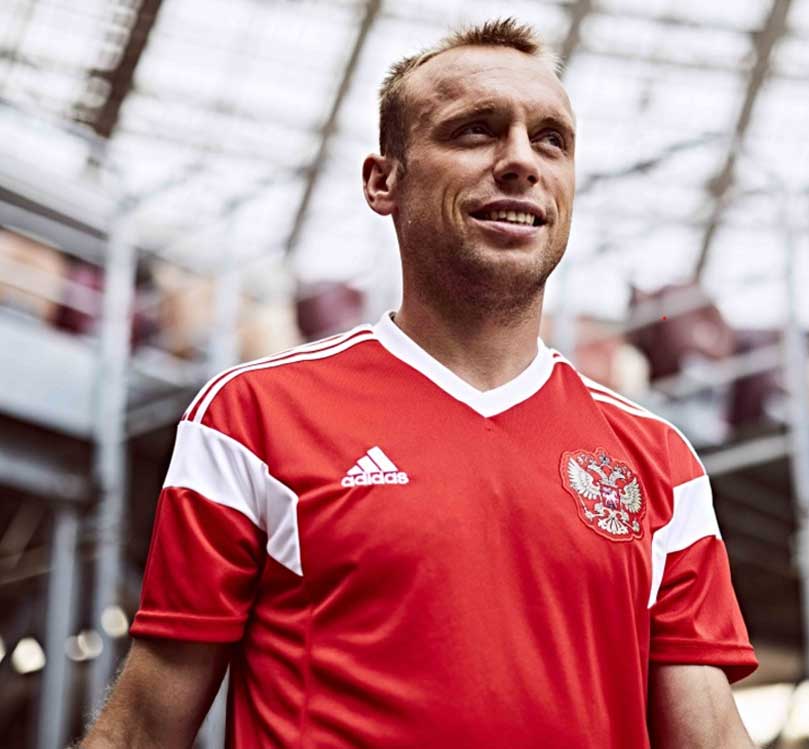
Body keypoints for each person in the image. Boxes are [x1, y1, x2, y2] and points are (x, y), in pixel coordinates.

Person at [79, 18, 757, 749]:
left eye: (550, 140)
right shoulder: (252, 418)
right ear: (383, 181)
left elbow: (710, 735)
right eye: (476, 130)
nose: (521, 161)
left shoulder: (660, 461)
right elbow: (142, 727)